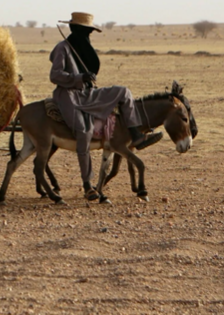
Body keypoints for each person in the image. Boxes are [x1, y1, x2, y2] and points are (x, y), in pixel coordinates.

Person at [50, 12, 162, 200]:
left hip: (87, 93)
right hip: (68, 96)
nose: (88, 36)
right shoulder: (62, 48)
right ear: (76, 30)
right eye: (86, 31)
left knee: (124, 92)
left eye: (89, 32)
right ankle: (88, 185)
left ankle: (136, 136)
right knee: (84, 131)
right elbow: (55, 76)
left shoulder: (84, 49)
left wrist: (88, 80)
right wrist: (78, 78)